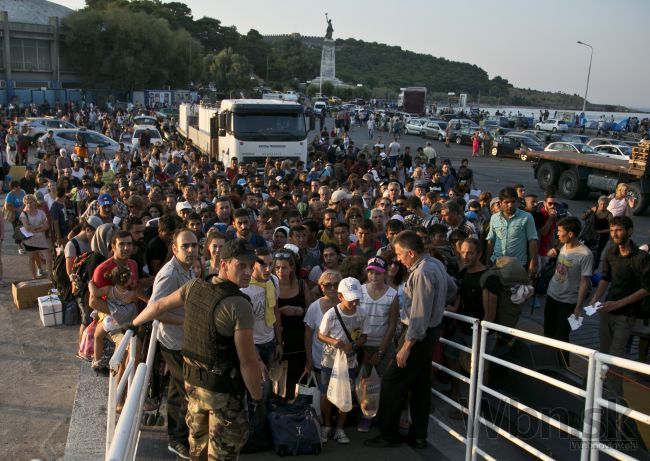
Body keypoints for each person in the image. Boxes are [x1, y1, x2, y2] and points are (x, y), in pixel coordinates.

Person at [130, 239, 264, 460]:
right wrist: (258, 400)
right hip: (223, 395)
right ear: (223, 264)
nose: (249, 271)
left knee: (197, 451)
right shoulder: (239, 305)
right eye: (241, 265)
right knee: (221, 455)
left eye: (251, 266)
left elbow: (158, 306)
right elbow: (248, 361)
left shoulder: (194, 286)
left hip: (193, 388)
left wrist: (133, 324)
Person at [366, 230, 448, 449]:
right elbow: (452, 289)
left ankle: (388, 434)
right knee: (421, 385)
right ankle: (418, 435)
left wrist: (406, 346)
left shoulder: (422, 272)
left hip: (416, 334)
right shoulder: (435, 264)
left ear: (411, 253)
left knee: (392, 381)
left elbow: (419, 316)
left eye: (400, 254)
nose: (398, 259)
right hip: (430, 332)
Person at [148, 229, 198, 459]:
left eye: (194, 245)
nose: (190, 250)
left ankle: (179, 436)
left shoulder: (187, 270)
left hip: (184, 340)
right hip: (173, 342)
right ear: (174, 248)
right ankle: (177, 439)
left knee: (178, 390)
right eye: (185, 246)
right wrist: (185, 320)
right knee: (184, 388)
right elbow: (154, 310)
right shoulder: (169, 274)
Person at [590, 216, 650, 360]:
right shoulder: (610, 252)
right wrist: (595, 298)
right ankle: (600, 382)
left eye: (618, 230)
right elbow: (605, 278)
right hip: (607, 310)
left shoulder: (642, 257)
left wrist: (618, 304)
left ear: (629, 231)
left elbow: (647, 289)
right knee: (603, 354)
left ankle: (612, 383)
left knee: (615, 357)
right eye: (611, 230)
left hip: (626, 315)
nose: (614, 234)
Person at [318, 277, 368, 445]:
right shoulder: (331, 314)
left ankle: (339, 428)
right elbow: (320, 334)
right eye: (350, 299)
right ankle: (326, 425)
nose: (354, 303)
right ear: (340, 297)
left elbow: (365, 336)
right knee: (325, 393)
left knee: (346, 394)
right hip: (329, 360)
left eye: (356, 299)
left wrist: (353, 344)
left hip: (350, 361)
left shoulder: (362, 313)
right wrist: (335, 342)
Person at [357, 256, 399, 432]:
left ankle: (381, 416)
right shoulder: (359, 291)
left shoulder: (392, 295)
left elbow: (392, 325)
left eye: (378, 272)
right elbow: (356, 321)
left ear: (384, 274)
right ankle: (365, 416)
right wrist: (361, 347)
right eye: (371, 272)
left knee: (384, 382)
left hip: (384, 345)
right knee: (363, 383)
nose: (374, 276)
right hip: (363, 345)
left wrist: (381, 351)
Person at [544, 217, 593, 363]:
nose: (557, 234)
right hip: (552, 294)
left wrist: (578, 306)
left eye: (560, 231)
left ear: (570, 234)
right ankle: (548, 361)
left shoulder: (585, 254)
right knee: (548, 332)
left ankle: (562, 366)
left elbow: (585, 281)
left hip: (568, 301)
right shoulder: (562, 245)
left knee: (561, 335)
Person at [486, 186, 538, 279]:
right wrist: (488, 261)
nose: (510, 205)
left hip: (517, 265)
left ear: (517, 202)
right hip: (497, 263)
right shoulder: (494, 218)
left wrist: (533, 263)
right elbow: (491, 240)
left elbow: (533, 241)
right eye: (507, 202)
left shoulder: (527, 217)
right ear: (500, 203)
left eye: (513, 202)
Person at [20, 194, 52, 279]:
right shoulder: (24, 214)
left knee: (48, 258)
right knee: (32, 258)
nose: (29, 204)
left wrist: (35, 229)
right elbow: (27, 227)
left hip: (41, 240)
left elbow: (46, 226)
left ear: (35, 202)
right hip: (30, 241)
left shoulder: (41, 213)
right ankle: (34, 277)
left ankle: (50, 277)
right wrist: (40, 226)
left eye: (31, 202)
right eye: (27, 203)